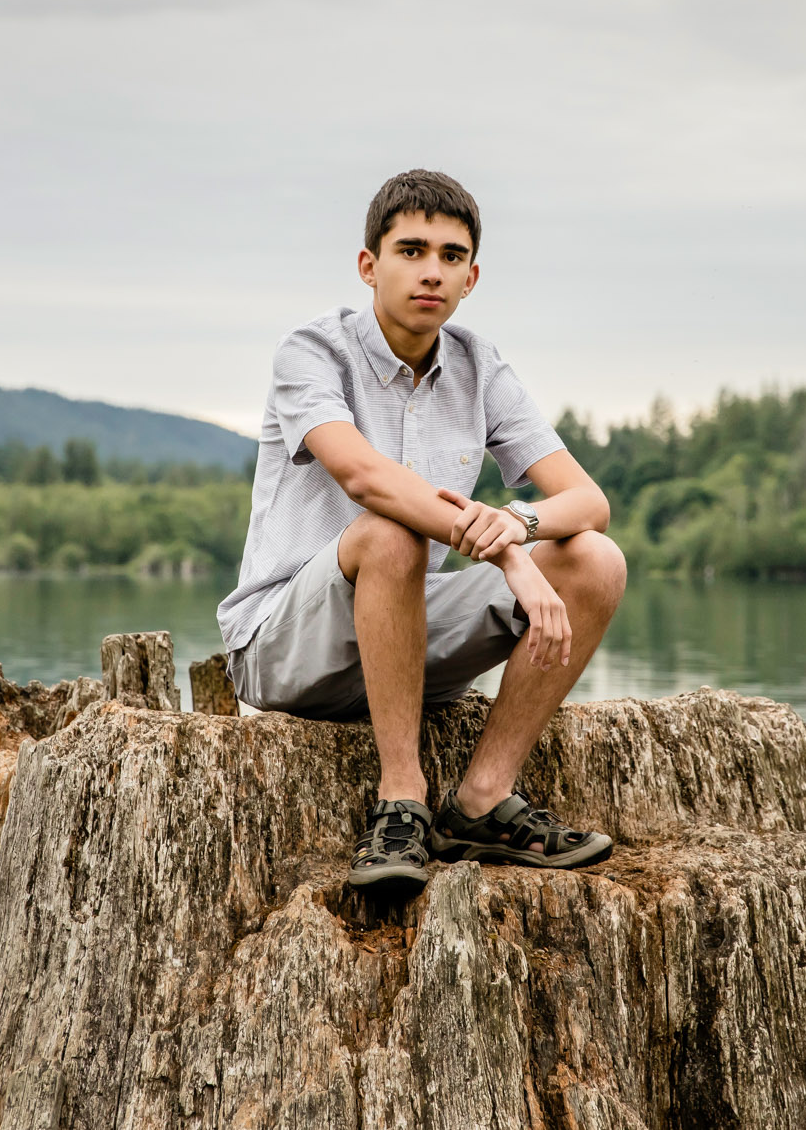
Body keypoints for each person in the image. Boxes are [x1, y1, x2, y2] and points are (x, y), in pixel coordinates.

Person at [216, 169, 629, 891]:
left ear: (471, 277)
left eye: (449, 255)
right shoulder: (311, 353)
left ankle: (479, 802)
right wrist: (512, 558)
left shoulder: (479, 366)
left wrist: (516, 521)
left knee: (595, 560)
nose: (430, 271)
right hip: (284, 648)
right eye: (410, 250)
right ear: (369, 266)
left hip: (404, 638)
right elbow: (367, 480)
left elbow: (585, 499)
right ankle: (401, 797)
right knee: (391, 531)